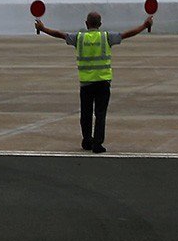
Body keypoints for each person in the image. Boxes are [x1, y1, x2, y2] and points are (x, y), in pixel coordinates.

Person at [35, 11, 152, 154]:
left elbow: (60, 35)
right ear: (100, 24)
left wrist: (43, 28)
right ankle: (97, 143)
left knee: (86, 113)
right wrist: (144, 26)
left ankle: (86, 140)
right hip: (103, 82)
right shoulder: (106, 37)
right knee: (100, 114)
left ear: (86, 23)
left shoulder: (79, 38)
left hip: (86, 83)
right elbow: (127, 34)